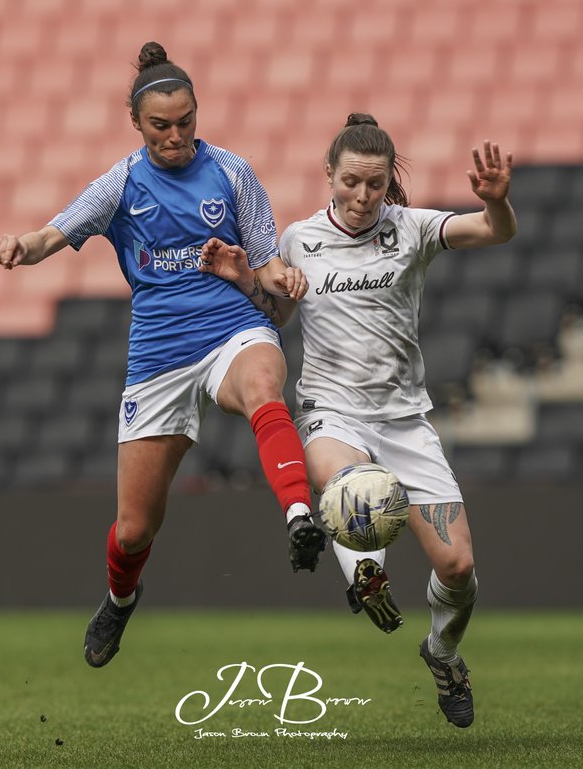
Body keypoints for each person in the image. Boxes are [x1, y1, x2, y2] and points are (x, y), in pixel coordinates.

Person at [0, 42, 325, 669]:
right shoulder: (119, 184)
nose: (176, 137)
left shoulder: (232, 173)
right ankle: (121, 598)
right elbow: (51, 234)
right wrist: (20, 245)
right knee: (135, 530)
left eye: (187, 122)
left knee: (263, 384)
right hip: (159, 356)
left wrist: (285, 281)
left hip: (232, 329)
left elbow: (267, 263)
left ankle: (300, 514)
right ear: (136, 123)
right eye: (161, 126)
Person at [199, 113, 516, 728]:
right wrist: (243, 279)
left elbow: (493, 232)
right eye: (351, 182)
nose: (363, 197)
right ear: (329, 175)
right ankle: (365, 573)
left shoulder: (414, 229)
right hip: (332, 411)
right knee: (347, 488)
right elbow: (280, 315)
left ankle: (443, 653)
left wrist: (498, 205)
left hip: (405, 419)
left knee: (458, 569)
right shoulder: (297, 241)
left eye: (375, 185)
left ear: (388, 181)